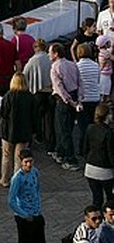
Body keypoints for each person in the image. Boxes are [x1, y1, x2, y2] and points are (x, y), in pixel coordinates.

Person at [50, 42, 83, 170]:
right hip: (74, 95)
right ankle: (60, 152)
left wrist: (68, 100)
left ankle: (70, 159)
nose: (49, 55)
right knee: (67, 127)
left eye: (50, 52)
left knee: (63, 129)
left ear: (56, 54)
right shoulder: (72, 65)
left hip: (63, 100)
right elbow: (80, 82)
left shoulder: (55, 68)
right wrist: (78, 100)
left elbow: (59, 87)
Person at [85, 103, 114, 209]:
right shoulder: (109, 132)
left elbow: (85, 148)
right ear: (107, 116)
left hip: (90, 168)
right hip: (105, 170)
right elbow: (111, 153)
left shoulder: (90, 128)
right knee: (111, 199)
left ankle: (95, 219)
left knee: (97, 199)